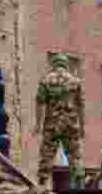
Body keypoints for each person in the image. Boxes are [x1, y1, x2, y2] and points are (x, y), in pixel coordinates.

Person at [34, 54, 85, 187]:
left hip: (52, 124)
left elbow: (39, 103)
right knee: (74, 155)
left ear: (53, 64)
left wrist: (38, 125)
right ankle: (79, 185)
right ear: (66, 64)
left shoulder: (46, 80)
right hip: (70, 124)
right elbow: (80, 105)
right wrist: (82, 126)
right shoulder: (75, 81)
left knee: (46, 155)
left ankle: (41, 185)